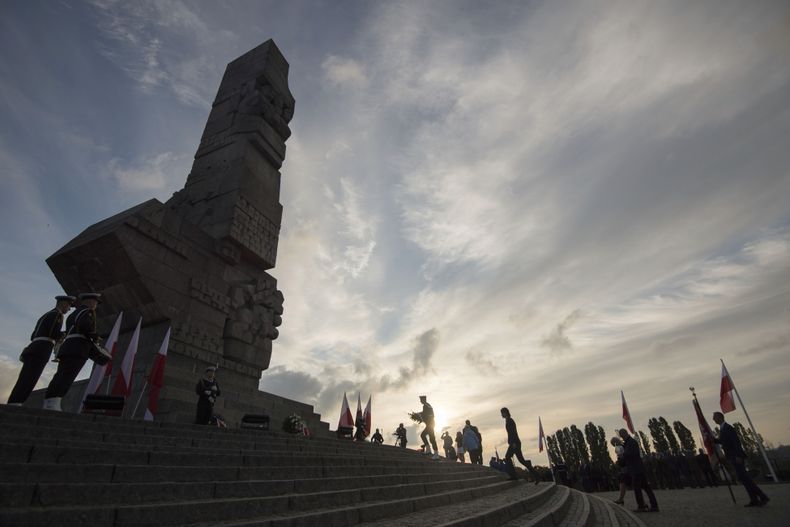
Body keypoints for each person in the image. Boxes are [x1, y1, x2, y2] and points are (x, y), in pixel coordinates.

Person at [7, 295, 75, 406]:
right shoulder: (57, 315)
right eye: (68, 306)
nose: (68, 309)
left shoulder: (46, 315)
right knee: (30, 377)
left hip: (35, 347)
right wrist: (65, 334)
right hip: (42, 349)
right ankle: (16, 402)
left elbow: (33, 335)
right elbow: (53, 333)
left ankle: (15, 400)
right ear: (63, 303)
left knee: (25, 376)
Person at [43, 293, 102, 411]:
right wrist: (95, 337)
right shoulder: (88, 312)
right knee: (67, 376)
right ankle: (54, 401)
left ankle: (50, 401)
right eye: (96, 302)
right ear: (91, 302)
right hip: (78, 348)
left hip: (68, 347)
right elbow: (85, 327)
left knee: (60, 375)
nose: (96, 305)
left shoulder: (73, 314)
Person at [712, 412, 769, 507]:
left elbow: (736, 442)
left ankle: (763, 497)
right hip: (732, 456)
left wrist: (738, 455)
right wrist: (713, 440)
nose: (713, 419)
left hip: (736, 456)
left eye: (714, 417)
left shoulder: (728, 428)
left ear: (720, 417)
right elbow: (724, 441)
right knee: (744, 479)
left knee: (746, 478)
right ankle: (754, 499)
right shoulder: (722, 429)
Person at [619, 428, 659, 513]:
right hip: (636, 469)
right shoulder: (627, 443)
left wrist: (623, 454)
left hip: (636, 469)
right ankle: (654, 506)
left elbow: (633, 454)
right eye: (620, 435)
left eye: (622, 434)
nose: (621, 436)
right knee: (646, 488)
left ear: (625, 433)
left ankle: (641, 506)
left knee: (638, 488)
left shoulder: (631, 442)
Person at [500, 407, 540, 483]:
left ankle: (513, 476)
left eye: (502, 413)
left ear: (505, 412)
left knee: (507, 457)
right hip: (514, 442)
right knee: (521, 460)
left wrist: (513, 443)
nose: (501, 415)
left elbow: (513, 432)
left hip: (514, 443)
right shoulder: (507, 420)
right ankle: (536, 475)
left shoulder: (510, 421)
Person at [414, 395, 439, 459]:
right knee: (430, 438)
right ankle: (430, 450)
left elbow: (426, 414)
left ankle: (435, 454)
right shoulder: (428, 405)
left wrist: (419, 415)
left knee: (428, 437)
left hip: (430, 424)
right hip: (431, 424)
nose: (420, 401)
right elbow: (425, 413)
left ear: (423, 400)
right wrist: (419, 414)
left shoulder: (425, 406)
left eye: (421, 400)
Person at [611, 436, 630, 505]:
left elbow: (621, 456)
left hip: (625, 467)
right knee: (622, 483)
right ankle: (621, 499)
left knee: (623, 482)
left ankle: (621, 499)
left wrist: (619, 462)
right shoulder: (622, 445)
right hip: (624, 466)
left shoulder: (619, 447)